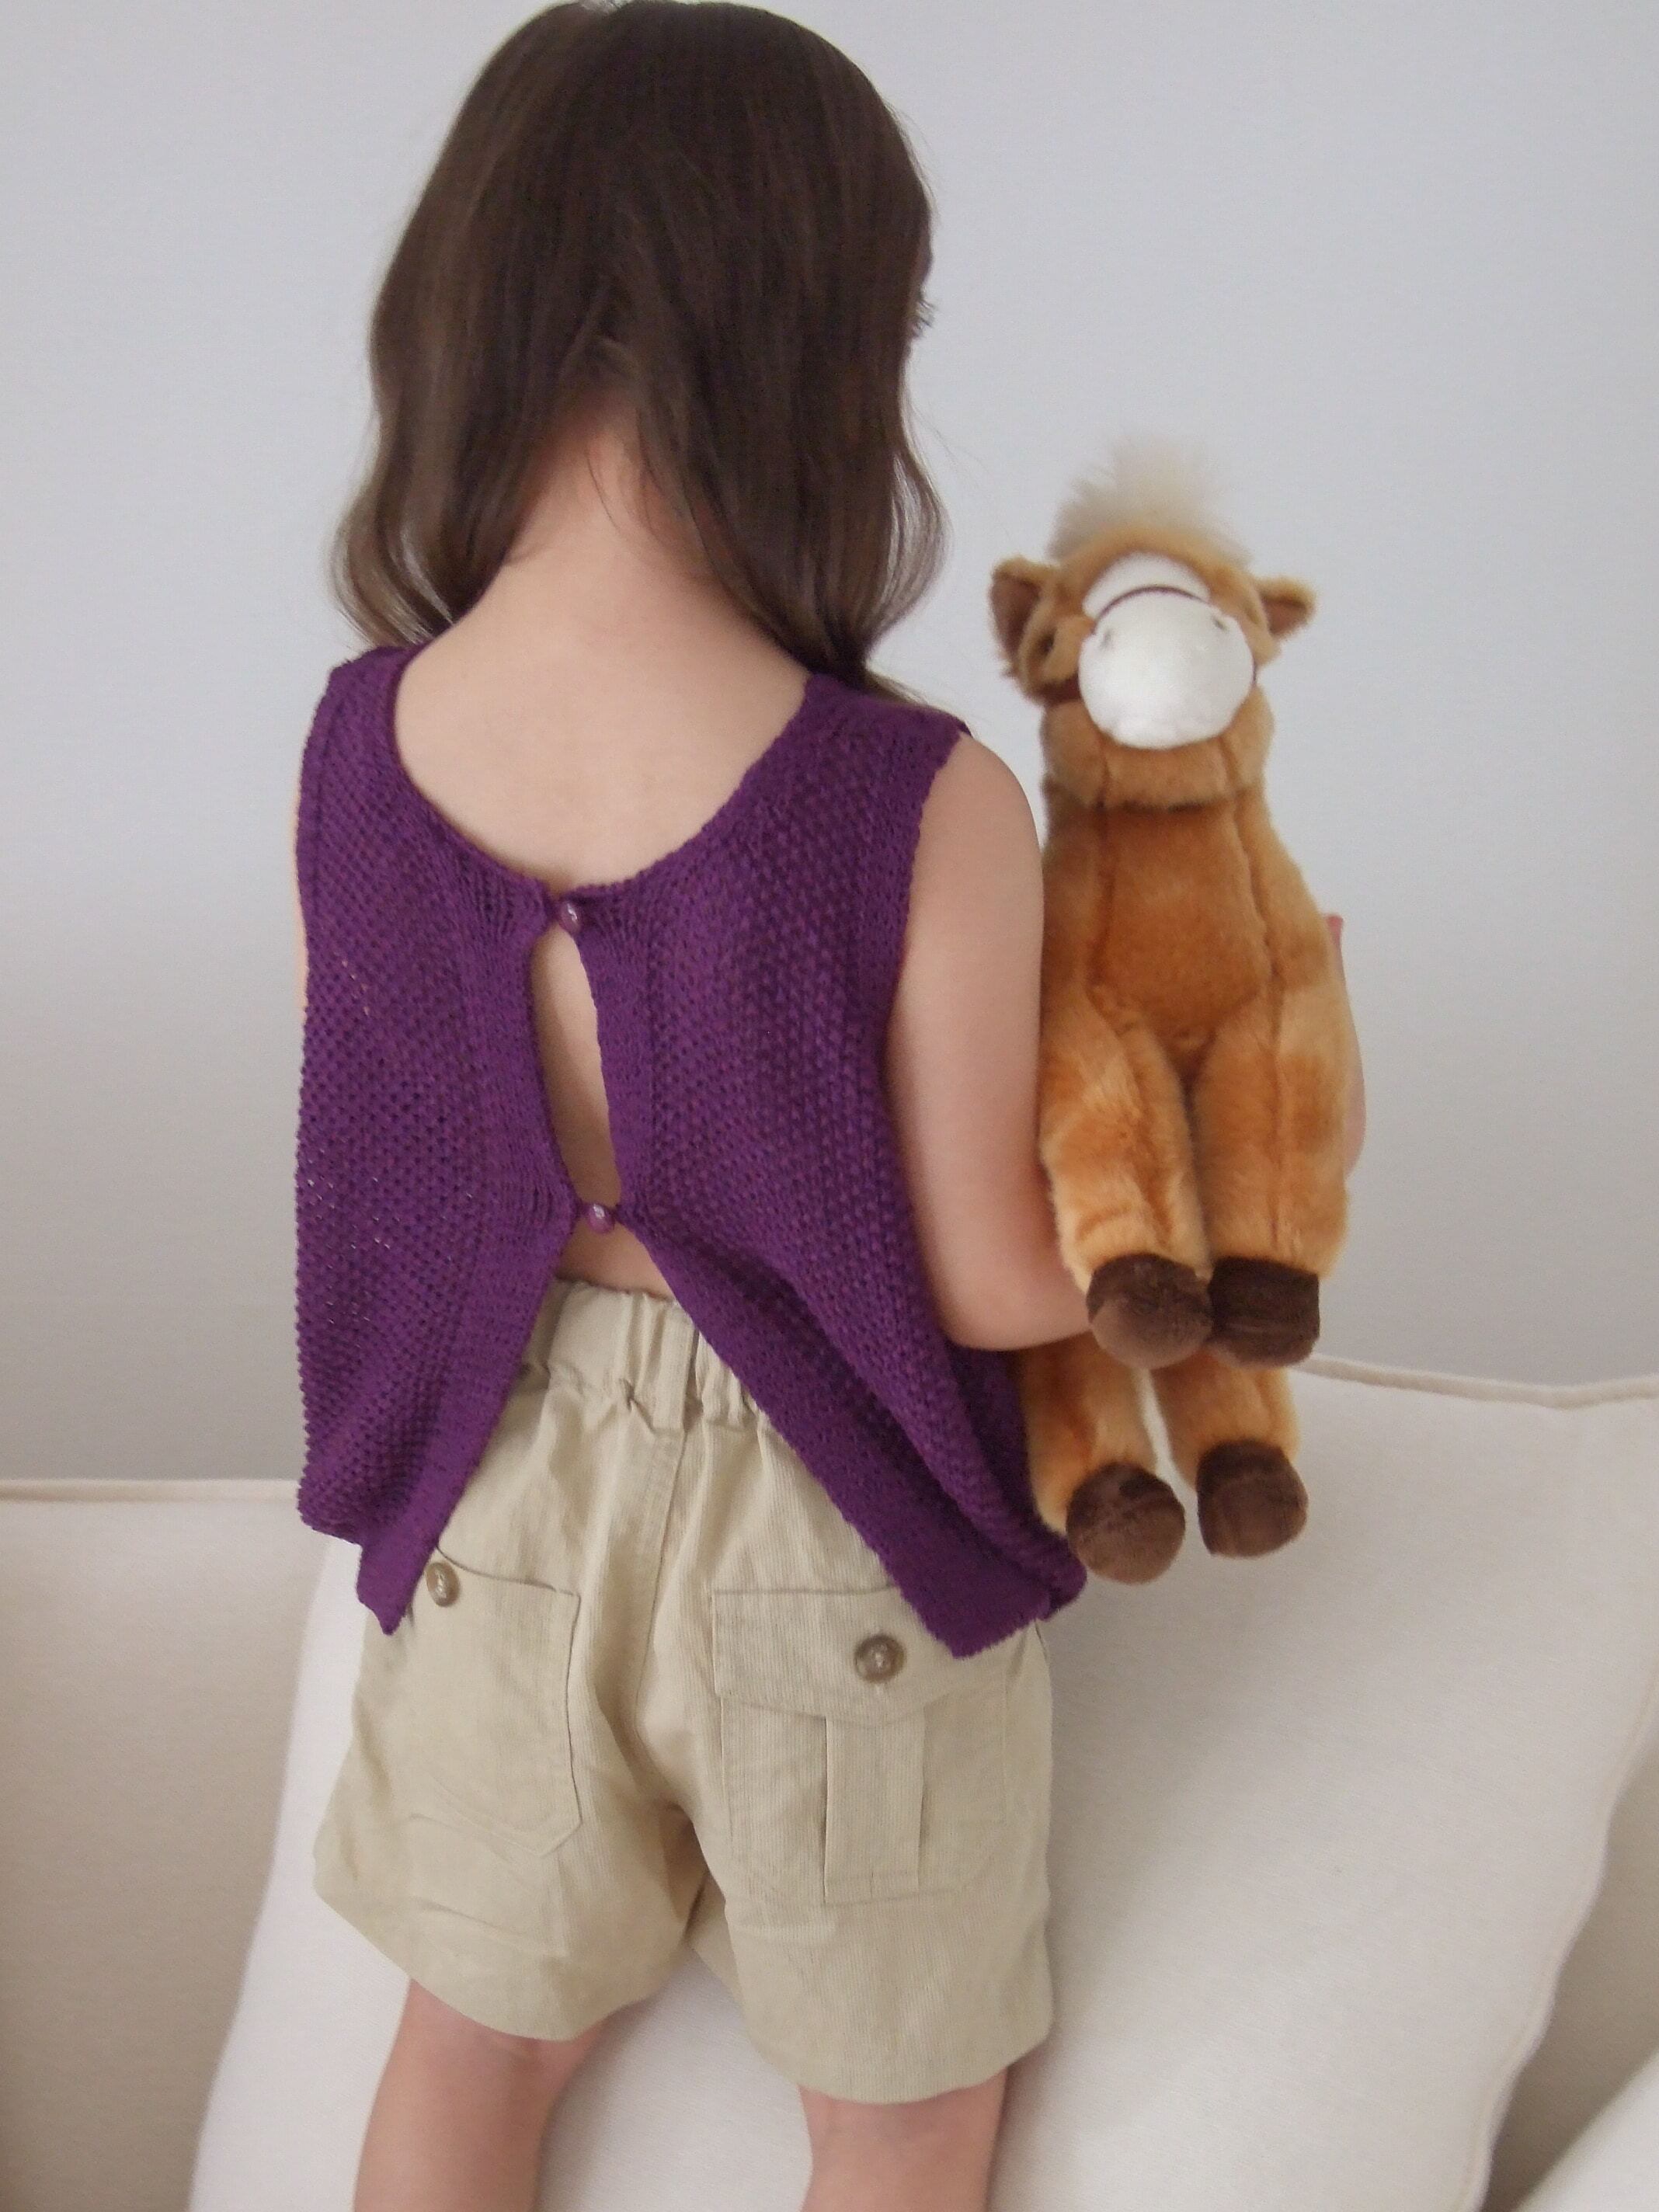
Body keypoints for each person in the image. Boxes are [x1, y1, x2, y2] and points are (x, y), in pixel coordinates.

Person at [287, 8, 1366, 2210]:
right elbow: (986, 1277)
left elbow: (386, 1166)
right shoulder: (908, 798)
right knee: (898, 2113)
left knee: (475, 2047)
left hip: (502, 1490)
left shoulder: (358, 746)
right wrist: (1207, 1133)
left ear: (466, 307)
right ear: (819, 352)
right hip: (820, 1521)